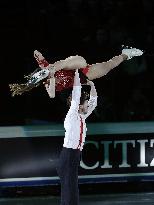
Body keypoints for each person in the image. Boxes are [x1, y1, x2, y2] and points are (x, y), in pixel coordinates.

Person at [9, 47, 143, 97]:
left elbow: (35, 51)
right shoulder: (49, 85)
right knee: (109, 66)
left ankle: (54, 68)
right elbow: (51, 96)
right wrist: (51, 77)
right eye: (40, 77)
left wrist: (46, 68)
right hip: (84, 76)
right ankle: (126, 53)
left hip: (75, 65)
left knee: (62, 65)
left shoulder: (46, 66)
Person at [56, 69, 97, 205]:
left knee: (72, 190)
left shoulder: (82, 116)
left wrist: (92, 86)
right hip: (68, 155)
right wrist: (76, 72)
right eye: (85, 104)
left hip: (74, 155)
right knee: (69, 192)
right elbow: (76, 93)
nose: (88, 105)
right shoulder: (73, 114)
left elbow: (94, 102)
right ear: (79, 105)